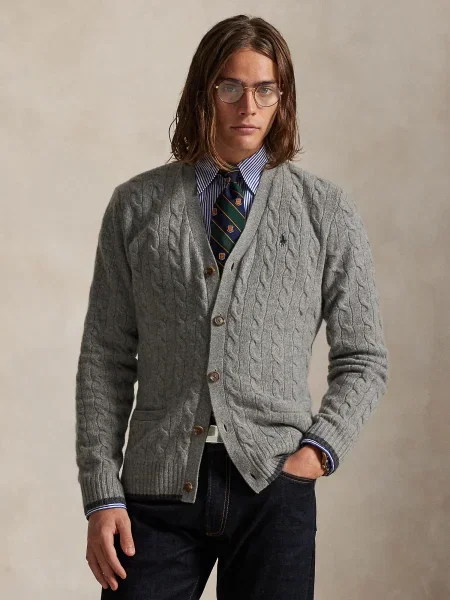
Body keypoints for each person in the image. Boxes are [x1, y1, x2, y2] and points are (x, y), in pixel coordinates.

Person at [75, 14, 389, 600]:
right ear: (204, 92)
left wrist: (317, 453)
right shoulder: (136, 207)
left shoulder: (325, 210)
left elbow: (364, 357)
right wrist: (101, 494)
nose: (249, 105)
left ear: (282, 98)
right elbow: (105, 358)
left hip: (274, 490)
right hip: (156, 492)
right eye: (231, 87)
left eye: (265, 89)